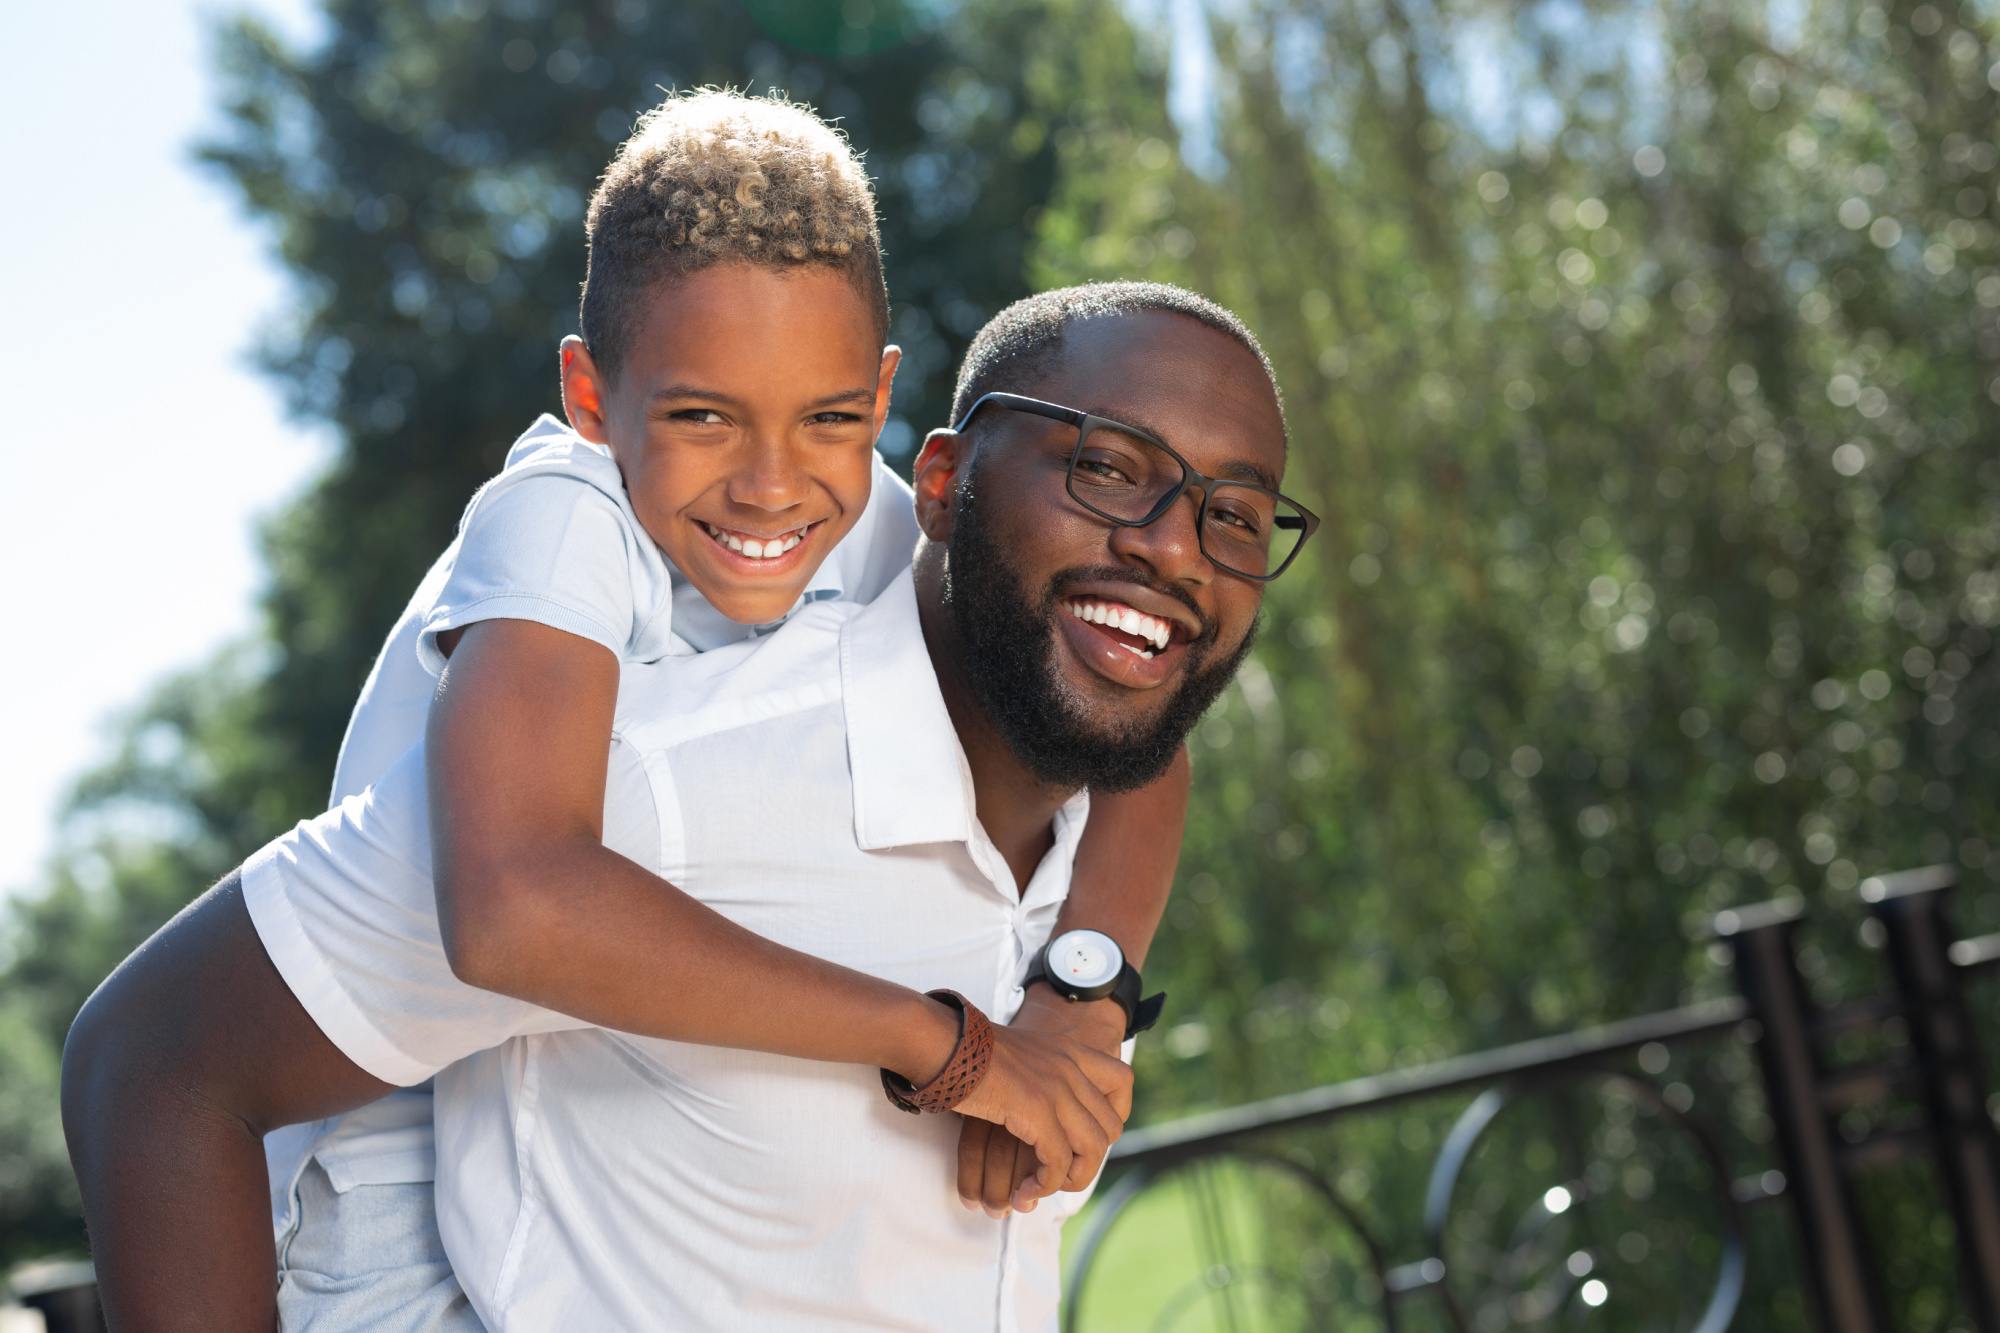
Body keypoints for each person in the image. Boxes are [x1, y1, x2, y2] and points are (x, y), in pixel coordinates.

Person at [105, 88, 1184, 1327]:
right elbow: (516, 902)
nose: (773, 484)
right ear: (589, 394)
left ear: (882, 395)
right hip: (386, 1224)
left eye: (829, 418)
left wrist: (1076, 1005)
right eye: (700, 416)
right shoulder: (560, 515)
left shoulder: (882, 521)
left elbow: (1138, 744)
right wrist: (952, 1049)